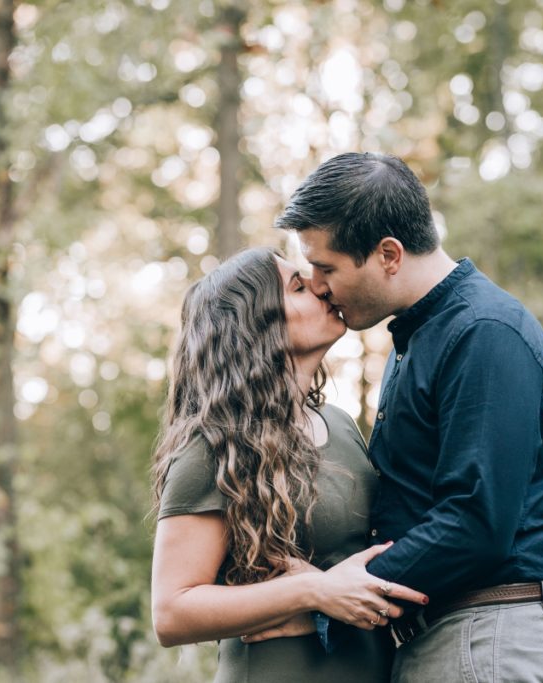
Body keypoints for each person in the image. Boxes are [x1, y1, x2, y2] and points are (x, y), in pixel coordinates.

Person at [265, 152, 543, 682]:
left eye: (326, 268)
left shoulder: (484, 331)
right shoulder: (421, 337)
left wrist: (328, 598)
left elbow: (476, 520)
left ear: (389, 254)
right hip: (460, 635)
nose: (321, 286)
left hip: (496, 635)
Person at [150, 247, 429, 682]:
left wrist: (319, 600)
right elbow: (171, 611)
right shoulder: (213, 444)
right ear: (259, 326)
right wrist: (308, 592)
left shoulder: (338, 424)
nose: (321, 288)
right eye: (299, 287)